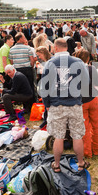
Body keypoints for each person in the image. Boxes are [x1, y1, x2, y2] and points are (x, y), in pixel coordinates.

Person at [39, 38, 90, 172]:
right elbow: (86, 83)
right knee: (77, 136)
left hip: (57, 104)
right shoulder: (78, 62)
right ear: (66, 47)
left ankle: (56, 165)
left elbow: (44, 88)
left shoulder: (50, 63)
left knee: (59, 136)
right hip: (74, 103)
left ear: (55, 48)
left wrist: (47, 104)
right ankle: (80, 163)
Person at [74, 49, 98, 158]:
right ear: (87, 58)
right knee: (96, 125)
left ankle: (87, 152)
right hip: (93, 99)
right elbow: (96, 83)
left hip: (82, 102)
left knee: (84, 128)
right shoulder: (92, 69)